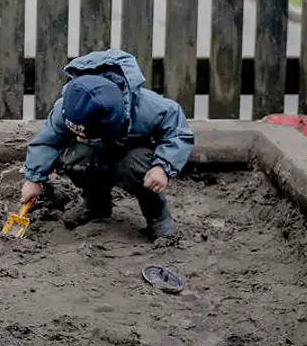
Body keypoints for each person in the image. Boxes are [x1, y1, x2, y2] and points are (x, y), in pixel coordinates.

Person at [18, 49, 194, 244]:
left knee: (135, 166)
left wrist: (163, 166)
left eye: (85, 133)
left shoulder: (147, 108)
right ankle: (96, 206)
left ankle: (157, 215)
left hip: (133, 152)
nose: (79, 136)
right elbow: (48, 141)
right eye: (77, 132)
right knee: (78, 158)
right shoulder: (69, 106)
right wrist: (33, 178)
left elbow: (178, 132)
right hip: (96, 153)